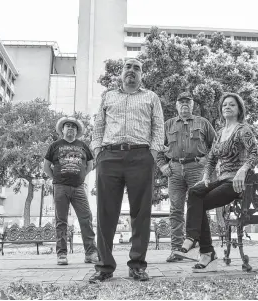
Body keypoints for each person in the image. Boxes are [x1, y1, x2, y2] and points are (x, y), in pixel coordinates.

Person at [89, 58, 165, 283]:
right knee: (105, 213)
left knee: (141, 213)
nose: (131, 71)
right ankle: (104, 266)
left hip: (141, 155)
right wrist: (97, 152)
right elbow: (99, 127)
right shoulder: (108, 96)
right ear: (121, 73)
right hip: (109, 156)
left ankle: (137, 265)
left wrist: (152, 153)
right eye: (127, 67)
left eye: (136, 68)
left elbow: (158, 126)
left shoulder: (151, 97)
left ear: (142, 74)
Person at [175, 92, 258, 273]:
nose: (227, 107)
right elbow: (212, 159)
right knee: (195, 192)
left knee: (199, 204)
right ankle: (197, 243)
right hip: (221, 180)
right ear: (221, 111)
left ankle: (202, 249)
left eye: (232, 105)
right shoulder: (220, 132)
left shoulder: (243, 130)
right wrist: (206, 177)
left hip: (237, 183)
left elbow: (255, 155)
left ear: (239, 109)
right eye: (224, 105)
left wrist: (242, 171)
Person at [156, 92, 216, 262]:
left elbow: (216, 145)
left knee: (199, 208)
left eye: (187, 102)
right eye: (180, 101)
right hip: (174, 170)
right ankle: (176, 250)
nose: (184, 104)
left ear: (192, 105)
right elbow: (158, 147)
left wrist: (207, 159)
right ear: (176, 105)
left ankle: (205, 249)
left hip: (196, 168)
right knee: (175, 209)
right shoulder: (168, 125)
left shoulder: (203, 123)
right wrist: (162, 165)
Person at [43, 116, 99, 266]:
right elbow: (46, 167)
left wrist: (81, 177)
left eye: (73, 127)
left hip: (79, 188)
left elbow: (90, 165)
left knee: (86, 218)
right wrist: (56, 178)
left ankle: (91, 253)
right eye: (67, 126)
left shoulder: (83, 146)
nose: (70, 128)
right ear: (62, 129)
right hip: (60, 187)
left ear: (77, 131)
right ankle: (61, 254)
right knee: (61, 221)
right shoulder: (55, 145)